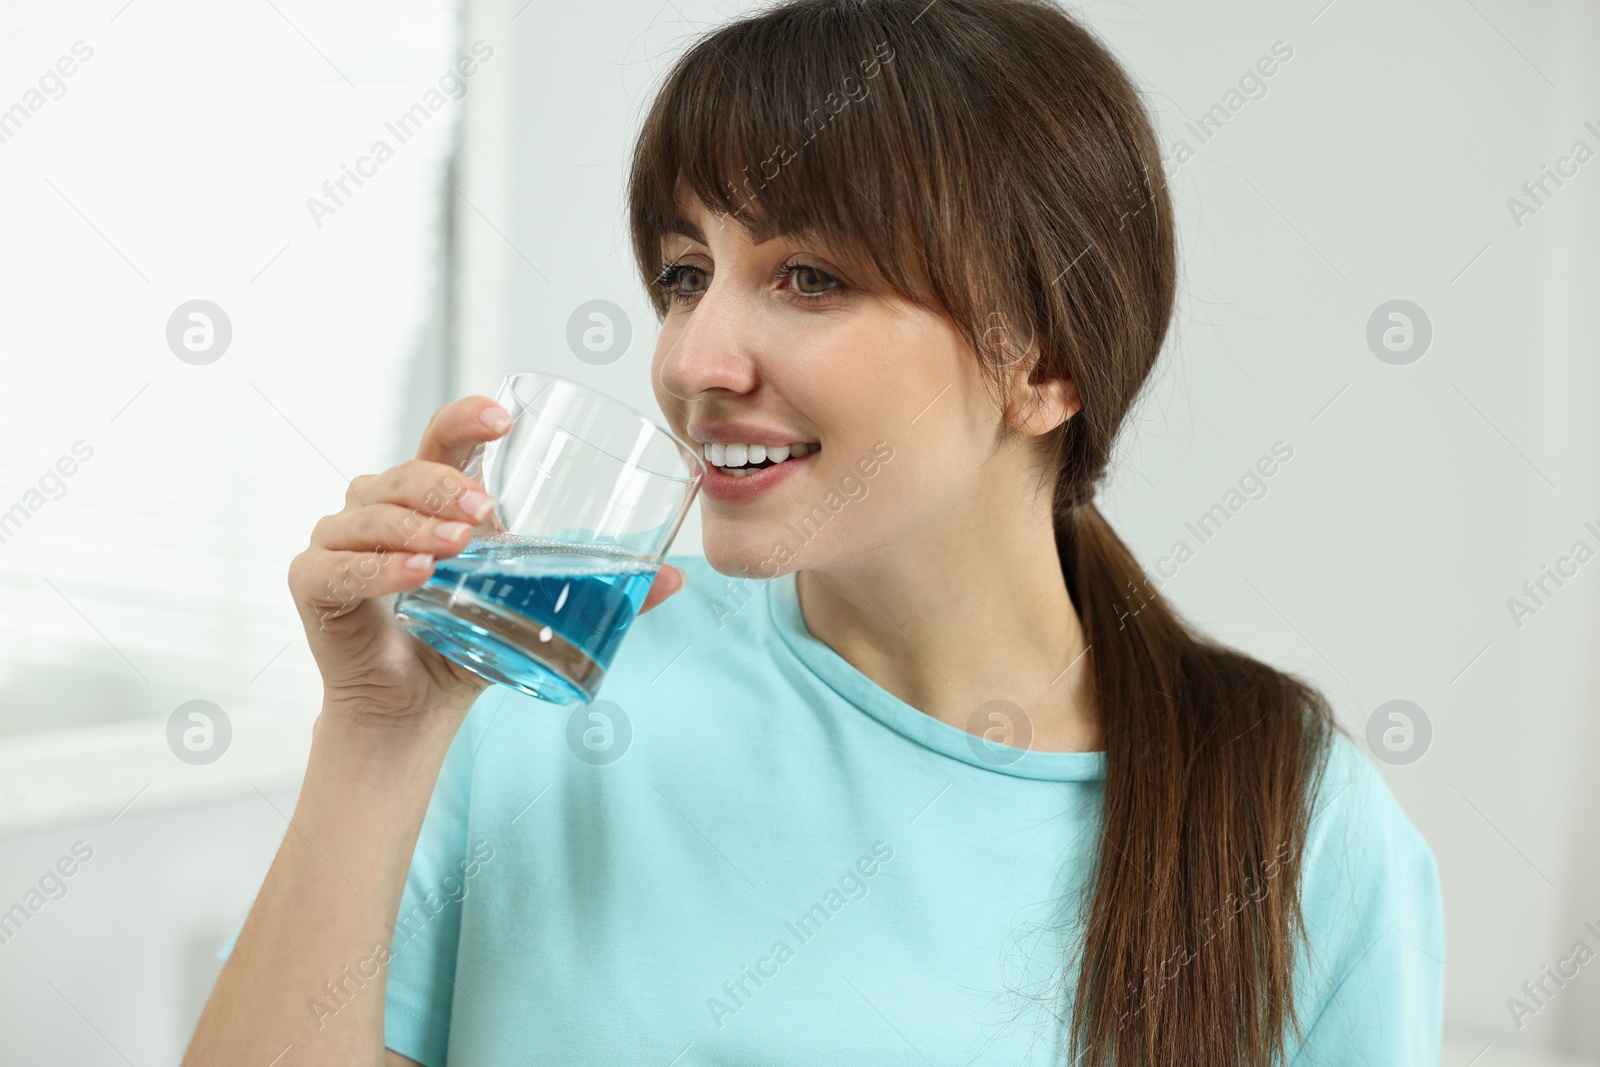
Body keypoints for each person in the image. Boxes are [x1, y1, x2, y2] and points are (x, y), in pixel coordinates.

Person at [184, 0, 1443, 1063]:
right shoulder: (531, 678)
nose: (689, 356)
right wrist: (375, 746)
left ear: (1044, 364)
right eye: (686, 271)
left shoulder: (1294, 820)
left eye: (810, 277)